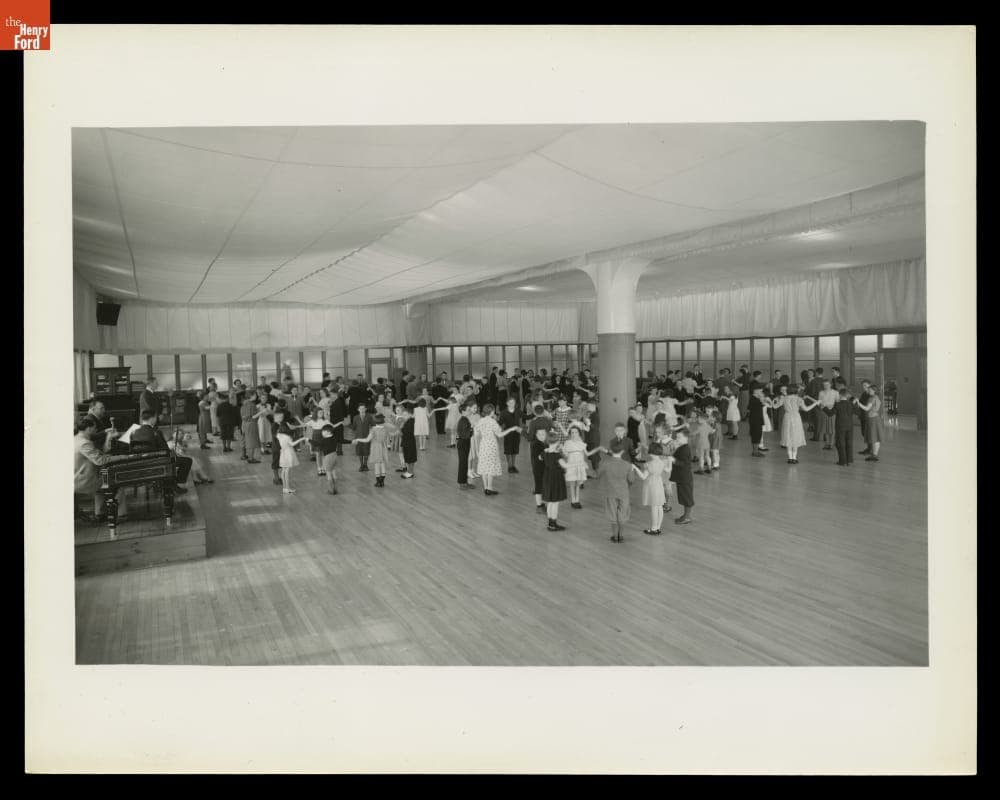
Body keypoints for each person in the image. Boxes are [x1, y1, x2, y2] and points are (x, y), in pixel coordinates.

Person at [597, 438, 643, 542]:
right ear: (622, 451)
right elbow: (631, 480)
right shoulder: (627, 465)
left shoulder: (605, 463)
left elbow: (598, 475)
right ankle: (621, 536)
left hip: (610, 492)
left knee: (612, 514)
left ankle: (614, 536)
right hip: (624, 493)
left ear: (611, 450)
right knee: (623, 514)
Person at [474, 403, 521, 496]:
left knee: (484, 466)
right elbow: (500, 434)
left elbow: (476, 435)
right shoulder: (492, 422)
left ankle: (485, 488)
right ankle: (490, 488)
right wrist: (511, 429)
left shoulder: (480, 421)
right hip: (491, 445)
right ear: (492, 411)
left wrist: (477, 448)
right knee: (491, 466)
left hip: (483, 444)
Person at [560, 425, 601, 509]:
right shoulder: (567, 443)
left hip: (580, 464)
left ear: (579, 433)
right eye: (572, 432)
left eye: (576, 432)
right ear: (570, 434)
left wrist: (597, 449)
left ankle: (577, 500)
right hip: (571, 464)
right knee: (572, 483)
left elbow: (587, 454)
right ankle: (573, 501)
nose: (574, 434)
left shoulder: (581, 443)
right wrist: (562, 450)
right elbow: (566, 455)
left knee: (578, 483)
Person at [779, 385, 819, 464]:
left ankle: (790, 458)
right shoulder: (799, 399)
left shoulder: (784, 398)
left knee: (788, 436)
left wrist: (774, 401)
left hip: (787, 417)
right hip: (796, 418)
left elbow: (775, 406)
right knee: (795, 436)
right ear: (796, 391)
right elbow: (806, 409)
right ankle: (794, 458)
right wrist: (815, 403)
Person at [640, 442, 669, 535]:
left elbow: (643, 477)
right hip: (659, 484)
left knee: (653, 507)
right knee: (659, 506)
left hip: (652, 486)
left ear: (651, 452)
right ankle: (658, 528)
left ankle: (653, 528)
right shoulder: (662, 462)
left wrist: (635, 468)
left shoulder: (648, 464)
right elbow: (668, 470)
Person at [541, 431, 567, 531]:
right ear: (557, 442)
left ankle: (550, 523)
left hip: (547, 477)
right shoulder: (557, 455)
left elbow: (539, 458)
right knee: (555, 503)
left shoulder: (545, 452)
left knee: (550, 502)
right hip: (556, 478)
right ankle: (553, 524)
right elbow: (565, 465)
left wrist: (547, 450)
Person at [669, 429, 694, 525]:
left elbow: (685, 463)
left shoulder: (685, 449)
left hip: (685, 478)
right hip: (682, 477)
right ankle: (685, 515)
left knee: (687, 497)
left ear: (686, 438)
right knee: (684, 497)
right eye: (677, 437)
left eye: (679, 437)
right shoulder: (682, 447)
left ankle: (687, 517)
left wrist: (673, 460)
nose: (677, 439)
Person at [276, 420, 307, 494]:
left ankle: (284, 488)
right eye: (288, 425)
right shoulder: (287, 437)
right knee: (287, 471)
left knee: (283, 471)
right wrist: (301, 439)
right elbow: (292, 444)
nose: (290, 426)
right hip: (289, 453)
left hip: (283, 452)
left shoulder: (279, 435)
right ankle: (287, 488)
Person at [856, 386, 885, 462]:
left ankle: (874, 455)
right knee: (876, 437)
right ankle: (874, 454)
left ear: (874, 391)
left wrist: (858, 403)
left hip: (872, 419)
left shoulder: (871, 398)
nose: (868, 391)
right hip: (875, 418)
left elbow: (866, 408)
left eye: (870, 390)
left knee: (874, 437)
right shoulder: (877, 397)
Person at [829, 387, 857, 466]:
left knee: (840, 443)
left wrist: (823, 407)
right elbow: (858, 412)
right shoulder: (851, 404)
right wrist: (855, 404)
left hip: (840, 426)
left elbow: (830, 413)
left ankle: (843, 461)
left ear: (840, 395)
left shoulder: (838, 404)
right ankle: (849, 460)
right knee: (849, 442)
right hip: (850, 426)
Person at [455, 402, 475, 489]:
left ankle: (464, 482)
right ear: (463, 411)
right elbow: (466, 435)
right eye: (468, 410)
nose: (470, 411)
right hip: (463, 443)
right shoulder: (463, 420)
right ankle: (461, 483)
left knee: (464, 463)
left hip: (464, 443)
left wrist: (470, 429)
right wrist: (472, 429)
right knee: (463, 463)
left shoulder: (464, 419)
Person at [816, 379, 838, 450]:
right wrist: (822, 406)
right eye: (824, 385)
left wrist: (832, 407)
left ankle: (831, 443)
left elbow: (838, 402)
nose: (826, 386)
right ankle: (827, 443)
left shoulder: (835, 392)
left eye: (827, 384)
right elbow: (819, 402)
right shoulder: (821, 392)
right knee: (826, 428)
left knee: (832, 428)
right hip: (824, 411)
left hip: (833, 411)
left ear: (830, 385)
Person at [353, 403, 376, 472]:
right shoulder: (355, 417)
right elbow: (354, 427)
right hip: (358, 437)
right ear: (358, 409)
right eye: (360, 409)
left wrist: (371, 433)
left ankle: (365, 465)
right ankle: (361, 465)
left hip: (367, 436)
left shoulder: (369, 416)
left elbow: (373, 425)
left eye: (363, 408)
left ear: (366, 409)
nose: (362, 410)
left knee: (366, 451)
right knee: (359, 451)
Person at [396, 406, 417, 479]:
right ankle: (409, 471)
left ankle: (410, 472)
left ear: (410, 415)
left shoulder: (410, 422)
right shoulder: (408, 421)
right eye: (403, 415)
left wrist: (400, 430)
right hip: (407, 442)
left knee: (410, 458)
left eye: (405, 415)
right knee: (408, 458)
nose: (404, 416)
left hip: (409, 443)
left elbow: (405, 433)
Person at [749, 386, 768, 457]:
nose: (761, 393)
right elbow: (760, 405)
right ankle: (755, 451)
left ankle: (755, 451)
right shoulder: (754, 399)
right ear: (755, 391)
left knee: (757, 435)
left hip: (757, 419)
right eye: (760, 391)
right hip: (755, 420)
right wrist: (761, 400)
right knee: (756, 435)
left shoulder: (755, 398)